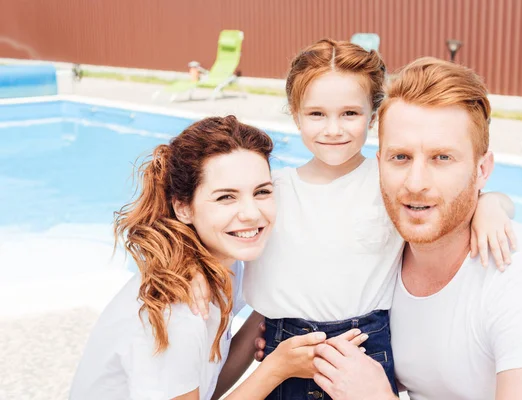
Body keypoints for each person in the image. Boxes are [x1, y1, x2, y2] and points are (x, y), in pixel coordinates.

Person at [191, 39, 517, 400]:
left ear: (373, 116)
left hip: (366, 350)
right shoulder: (272, 192)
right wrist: (193, 274)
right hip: (282, 350)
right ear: (295, 113)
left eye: (350, 114)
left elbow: (461, 200)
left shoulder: (389, 183)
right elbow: (217, 232)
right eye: (317, 114)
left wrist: (492, 207)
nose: (334, 129)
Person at [311, 58, 522, 400]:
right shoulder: (377, 253)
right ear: (379, 162)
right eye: (400, 157)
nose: (415, 183)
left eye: (442, 158)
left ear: (482, 169)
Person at [69, 116, 366, 400]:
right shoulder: (178, 313)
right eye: (226, 197)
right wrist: (277, 369)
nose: (251, 214)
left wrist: (268, 312)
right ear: (183, 208)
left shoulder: (223, 262)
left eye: (261, 192)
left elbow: (205, 387)